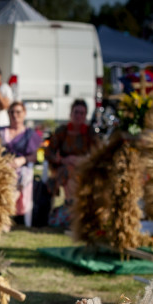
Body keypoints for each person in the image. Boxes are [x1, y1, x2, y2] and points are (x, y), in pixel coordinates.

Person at [44, 98, 98, 228]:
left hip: (85, 168)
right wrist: (62, 159)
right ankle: (71, 207)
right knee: (69, 171)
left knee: (77, 173)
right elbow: (49, 152)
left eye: (82, 113)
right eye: (76, 112)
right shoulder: (62, 131)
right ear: (71, 113)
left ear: (85, 115)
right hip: (65, 169)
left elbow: (98, 154)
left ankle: (75, 208)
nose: (78, 116)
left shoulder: (90, 133)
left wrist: (82, 161)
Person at [0, 101, 42, 226]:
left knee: (20, 176)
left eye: (18, 112)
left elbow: (35, 156)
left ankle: (4, 215)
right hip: (1, 165)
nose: (15, 115)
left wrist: (22, 160)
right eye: (12, 112)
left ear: (24, 114)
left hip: (20, 167)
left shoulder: (29, 134)